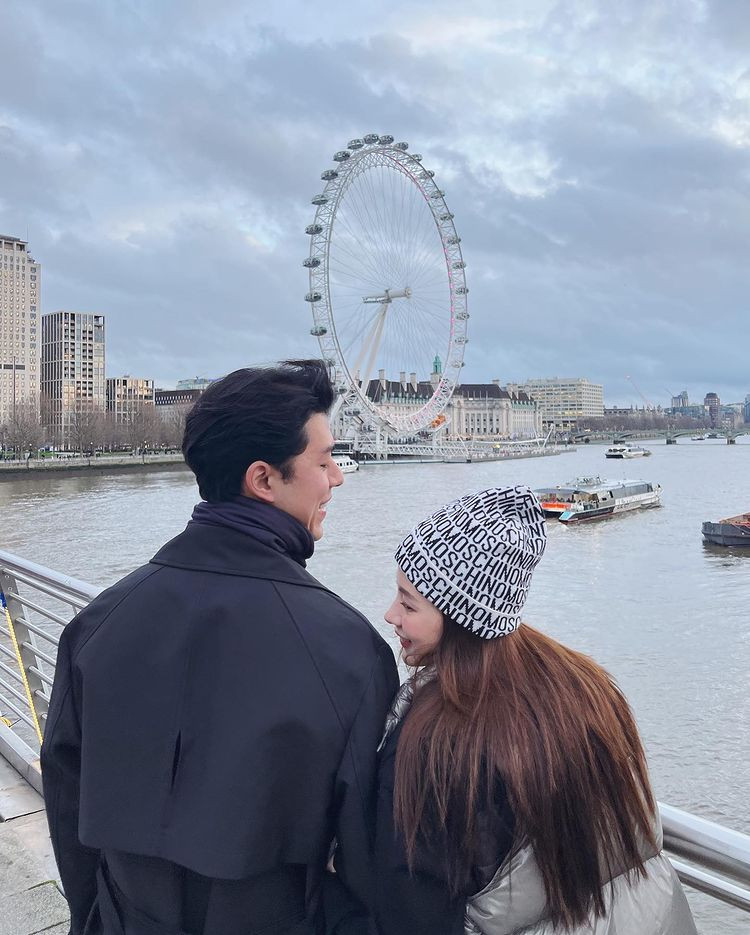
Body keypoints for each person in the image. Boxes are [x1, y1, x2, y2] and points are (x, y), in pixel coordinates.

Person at [41, 359, 399, 935]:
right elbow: (363, 859)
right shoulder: (349, 652)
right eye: (323, 460)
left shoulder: (97, 625)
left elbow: (66, 799)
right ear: (263, 480)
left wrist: (93, 920)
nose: (337, 476)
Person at [372, 485, 697, 935]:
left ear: (463, 617)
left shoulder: (438, 741)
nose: (390, 615)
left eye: (408, 603)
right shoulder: (583, 684)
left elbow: (409, 902)